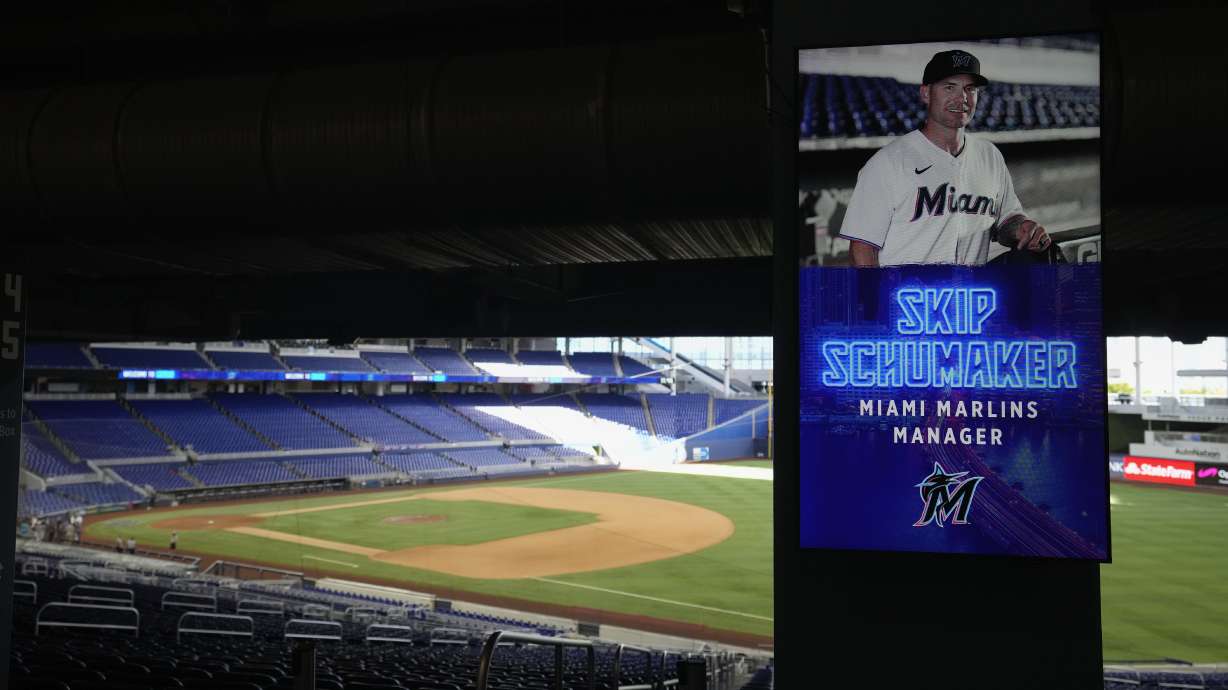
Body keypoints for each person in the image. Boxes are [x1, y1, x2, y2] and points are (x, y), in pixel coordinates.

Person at [839, 49, 1052, 266]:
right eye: (950, 87)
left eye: (970, 89)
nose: (962, 98)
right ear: (926, 93)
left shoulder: (990, 156)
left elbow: (1006, 222)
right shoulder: (888, 162)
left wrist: (1022, 228)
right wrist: (878, 298)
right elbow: (862, 249)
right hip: (909, 297)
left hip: (969, 297)